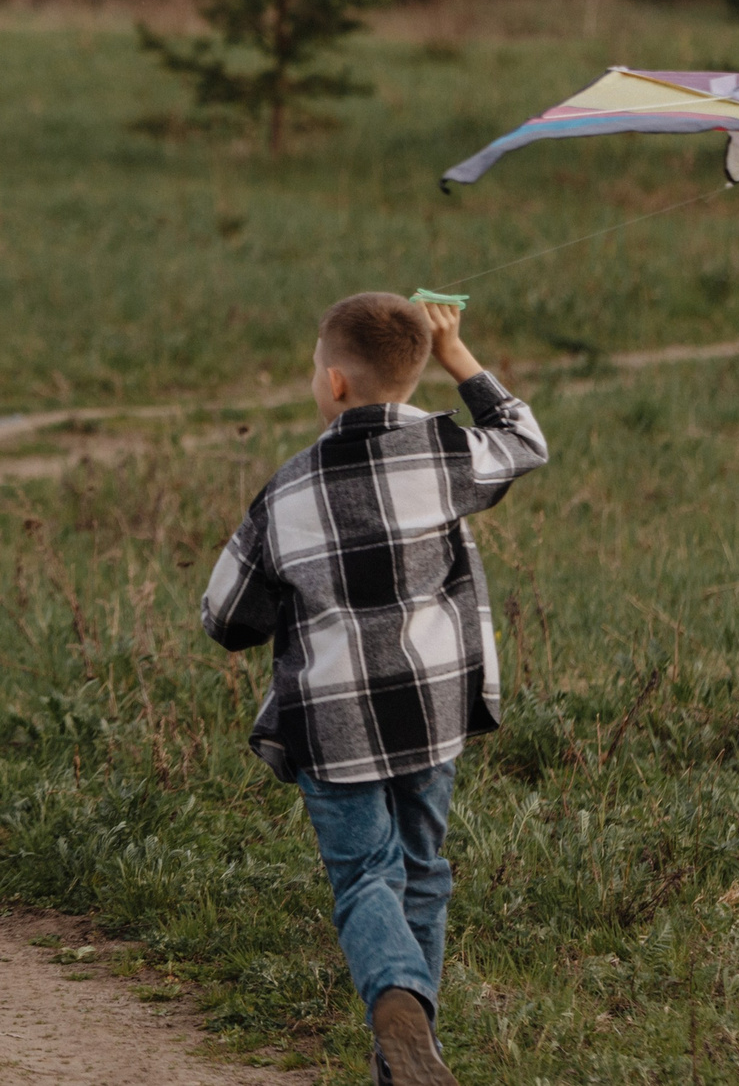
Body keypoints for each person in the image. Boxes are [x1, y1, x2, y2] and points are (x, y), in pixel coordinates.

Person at [200, 295, 546, 1086]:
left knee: (365, 876)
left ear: (334, 382)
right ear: (416, 373)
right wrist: (460, 356)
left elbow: (224, 617)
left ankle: (396, 996)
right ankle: (407, 1059)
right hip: (431, 708)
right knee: (421, 869)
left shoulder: (285, 493)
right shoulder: (445, 450)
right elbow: (527, 441)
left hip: (334, 722)